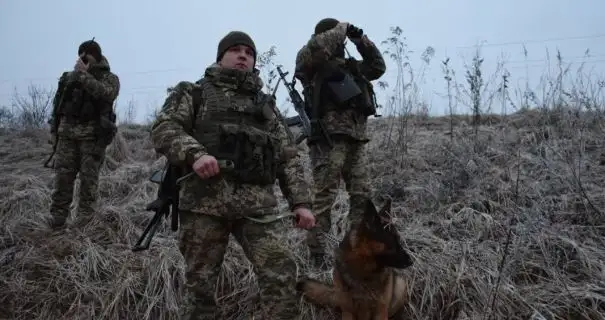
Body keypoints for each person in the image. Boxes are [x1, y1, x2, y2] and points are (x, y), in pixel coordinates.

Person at [149, 30, 316, 319]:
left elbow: (287, 157)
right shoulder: (193, 92)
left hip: (257, 206)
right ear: (221, 56)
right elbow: (165, 128)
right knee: (199, 287)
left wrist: (301, 203)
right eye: (236, 50)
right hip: (204, 205)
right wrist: (195, 154)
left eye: (249, 53)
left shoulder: (265, 106)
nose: (243, 56)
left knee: (281, 272)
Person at [294, 18, 386, 269]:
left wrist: (360, 41)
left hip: (357, 139)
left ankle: (354, 249)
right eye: (334, 36)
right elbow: (316, 49)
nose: (338, 41)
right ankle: (318, 257)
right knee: (324, 199)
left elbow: (378, 67)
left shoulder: (351, 67)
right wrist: (339, 28)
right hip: (328, 140)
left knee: (361, 197)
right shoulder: (310, 62)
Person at [48, 39, 120, 230]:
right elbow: (58, 107)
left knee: (89, 184)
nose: (81, 59)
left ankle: (84, 226)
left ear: (95, 58)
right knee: (62, 181)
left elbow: (107, 94)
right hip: (66, 137)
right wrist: (54, 132)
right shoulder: (68, 78)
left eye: (86, 55)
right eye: (79, 55)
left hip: (92, 139)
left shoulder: (109, 78)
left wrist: (84, 76)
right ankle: (57, 222)